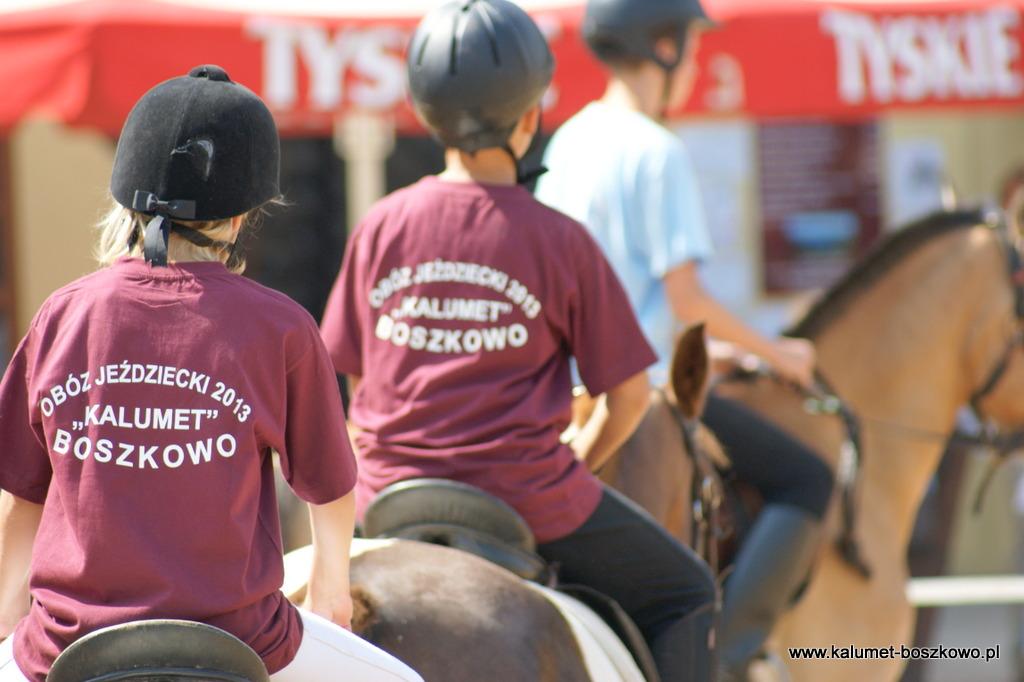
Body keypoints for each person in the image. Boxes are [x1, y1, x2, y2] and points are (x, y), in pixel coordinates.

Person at [319, 1, 718, 679]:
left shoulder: (381, 223)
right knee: (688, 593)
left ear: (427, 115)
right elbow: (627, 397)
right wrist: (579, 462)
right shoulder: (559, 238)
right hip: (526, 494)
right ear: (531, 117)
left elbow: (359, 387)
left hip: (386, 493)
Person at [0, 65, 421, 682]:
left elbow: (21, 492)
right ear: (239, 218)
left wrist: (9, 611)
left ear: (128, 198)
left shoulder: (61, 314)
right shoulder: (282, 326)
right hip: (243, 642)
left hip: (67, 643)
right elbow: (329, 487)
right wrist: (330, 593)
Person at [534, 0, 835, 678]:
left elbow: (610, 287)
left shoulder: (568, 140)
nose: (697, 63)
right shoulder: (657, 148)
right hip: (637, 396)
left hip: (565, 393)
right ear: (663, 48)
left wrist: (709, 352)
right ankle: (731, 653)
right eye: (692, 47)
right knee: (806, 478)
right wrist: (780, 354)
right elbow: (686, 298)